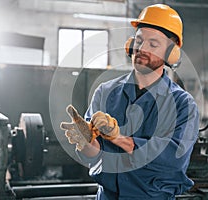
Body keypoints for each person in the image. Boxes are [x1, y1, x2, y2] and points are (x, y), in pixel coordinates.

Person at [60, 4, 199, 200]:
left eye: (153, 44)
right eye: (139, 41)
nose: (141, 49)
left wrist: (117, 137)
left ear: (171, 53)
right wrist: (86, 141)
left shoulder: (183, 105)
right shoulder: (105, 92)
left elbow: (172, 159)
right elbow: (94, 155)